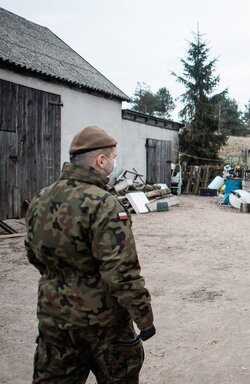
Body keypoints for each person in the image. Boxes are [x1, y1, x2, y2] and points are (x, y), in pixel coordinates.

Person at [25, 126, 155, 383]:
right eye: (113, 157)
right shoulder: (104, 204)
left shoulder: (41, 198)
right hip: (104, 326)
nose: (114, 163)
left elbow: (34, 255)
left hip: (55, 321)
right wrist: (145, 318)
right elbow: (121, 272)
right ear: (101, 160)